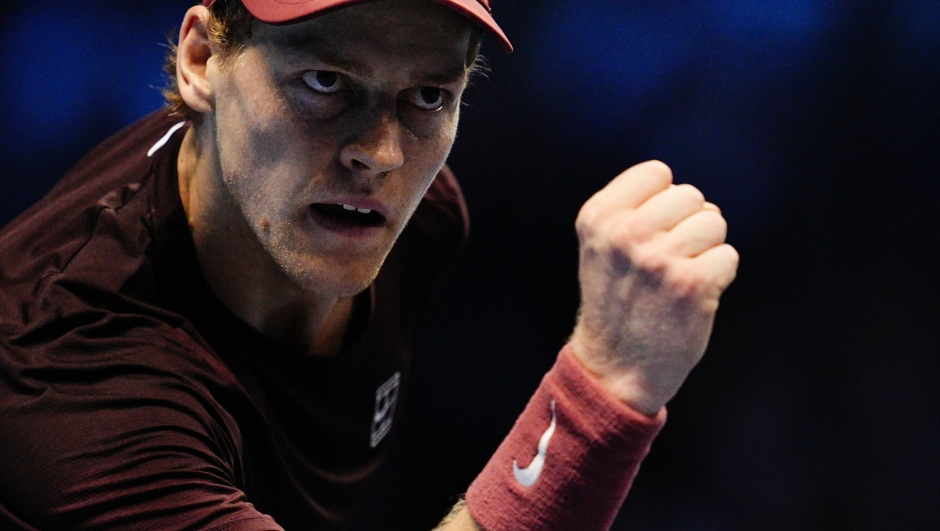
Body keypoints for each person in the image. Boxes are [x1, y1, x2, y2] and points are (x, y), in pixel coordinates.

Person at [0, 0, 739, 529]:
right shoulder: (71, 375)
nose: (380, 155)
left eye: (427, 95)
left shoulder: (418, 223)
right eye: (325, 81)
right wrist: (601, 391)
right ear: (201, 59)